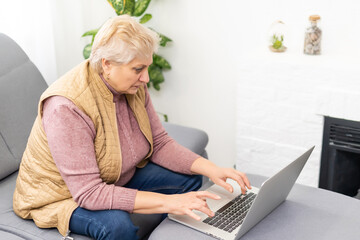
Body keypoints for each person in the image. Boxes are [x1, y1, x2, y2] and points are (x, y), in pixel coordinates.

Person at [13, 15, 251, 240]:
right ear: (106, 64)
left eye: (146, 67)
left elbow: (158, 143)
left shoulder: (131, 85)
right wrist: (170, 203)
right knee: (117, 226)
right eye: (138, 69)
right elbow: (88, 193)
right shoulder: (66, 107)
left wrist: (212, 169)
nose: (146, 78)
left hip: (113, 177)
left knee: (188, 180)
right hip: (62, 196)